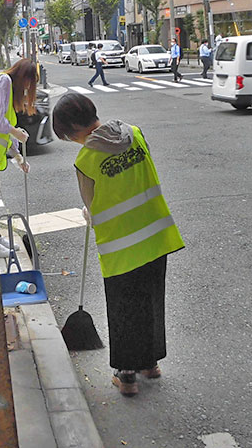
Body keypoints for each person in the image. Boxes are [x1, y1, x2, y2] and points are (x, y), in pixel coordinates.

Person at [52, 93, 185, 397]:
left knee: (124, 310)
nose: (72, 141)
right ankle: (150, 364)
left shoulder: (86, 159)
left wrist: (89, 213)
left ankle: (127, 376)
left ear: (74, 127)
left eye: (68, 135)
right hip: (155, 235)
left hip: (121, 247)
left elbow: (91, 206)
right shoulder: (134, 134)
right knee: (151, 302)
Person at [0, 59, 37, 258]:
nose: (28, 88)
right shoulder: (4, 81)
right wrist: (16, 133)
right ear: (23, 77)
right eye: (29, 83)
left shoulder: (5, 87)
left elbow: (1, 134)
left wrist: (19, 158)